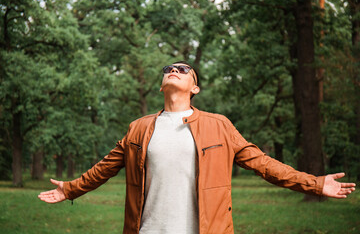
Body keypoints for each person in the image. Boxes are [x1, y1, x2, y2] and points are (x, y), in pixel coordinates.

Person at [38, 61, 356, 234]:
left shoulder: (219, 125)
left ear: (195, 87)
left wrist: (315, 184)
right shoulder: (139, 128)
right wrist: (70, 189)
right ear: (162, 84)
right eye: (168, 69)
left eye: (183, 69)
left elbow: (264, 165)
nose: (173, 70)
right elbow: (103, 169)